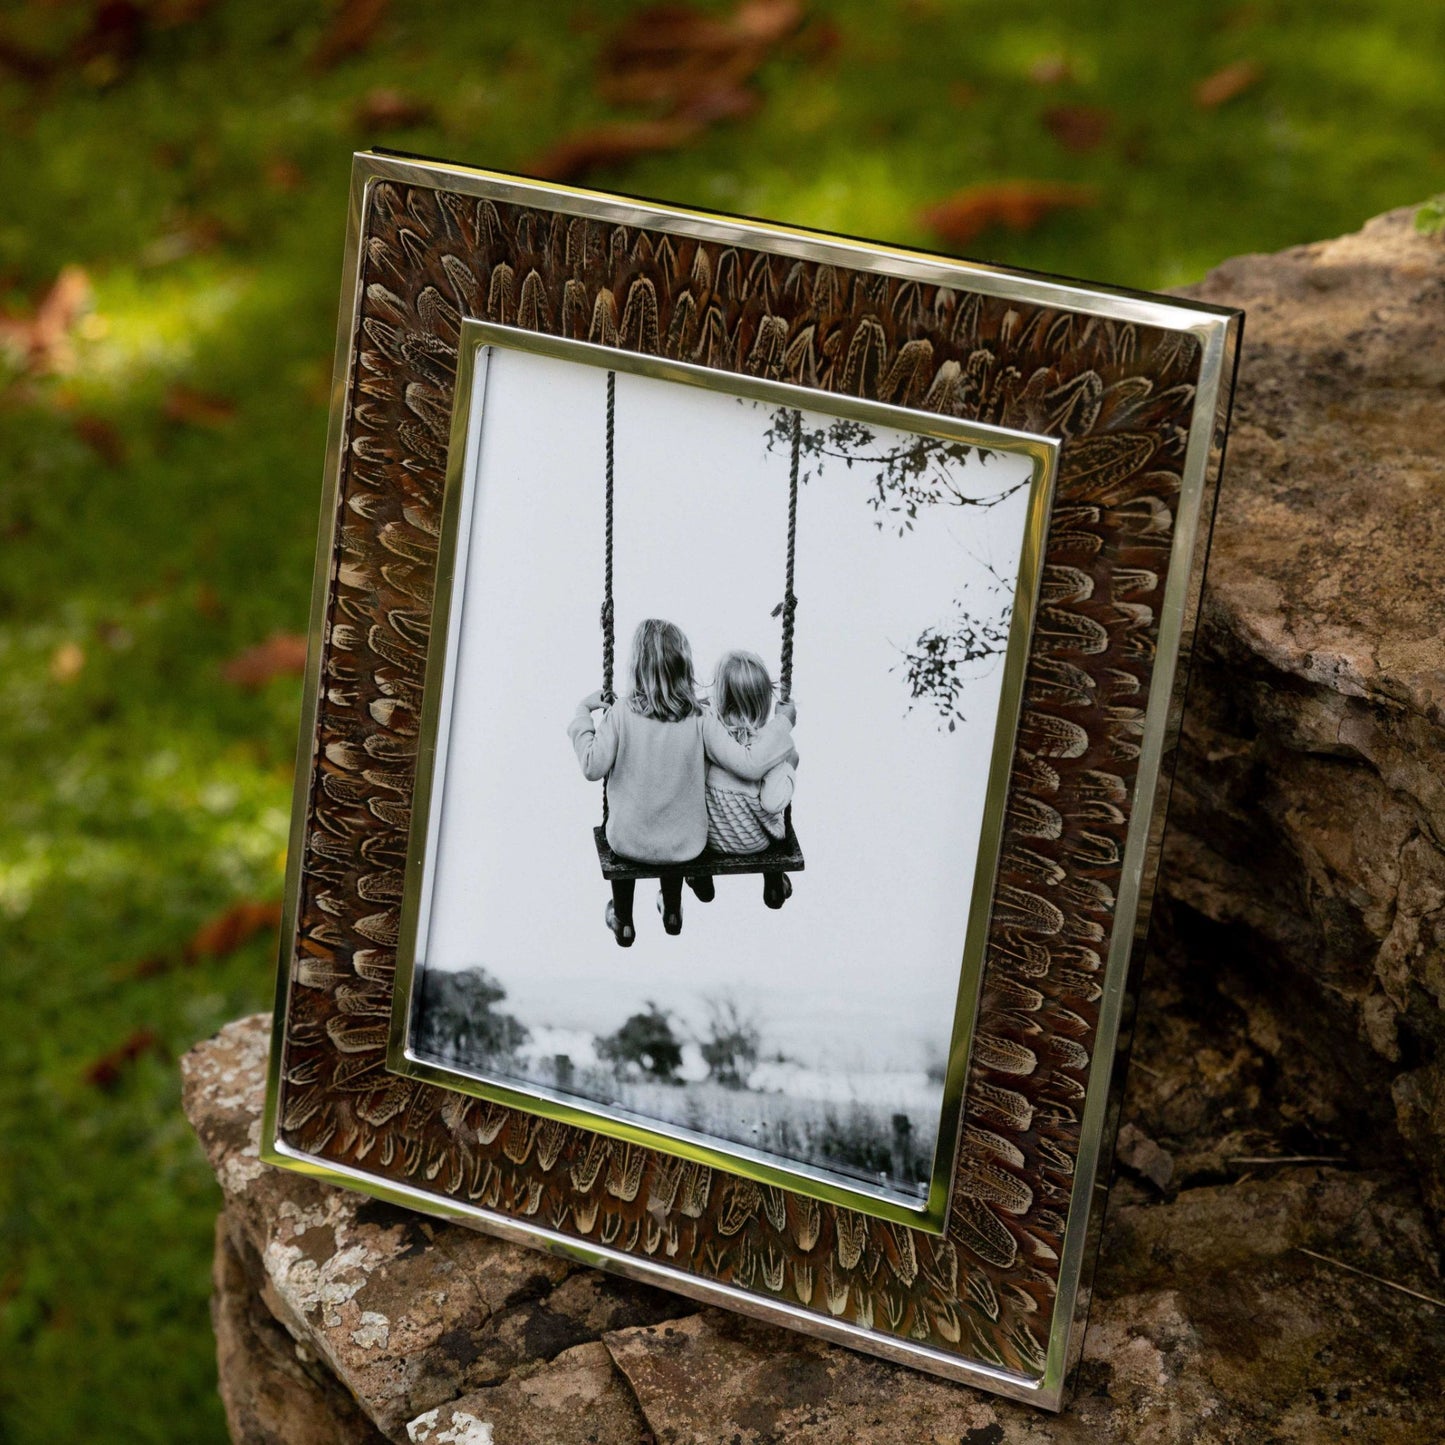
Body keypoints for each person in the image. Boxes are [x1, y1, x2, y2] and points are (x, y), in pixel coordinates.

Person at [569, 618, 794, 945]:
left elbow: (592, 766)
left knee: (630, 832)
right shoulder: (699, 717)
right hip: (687, 846)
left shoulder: (619, 713)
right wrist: (782, 723)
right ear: (684, 666)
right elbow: (747, 764)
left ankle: (623, 919)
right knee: (673, 824)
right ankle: (672, 908)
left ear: (637, 667)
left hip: (628, 843)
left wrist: (582, 715)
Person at [689, 649, 798, 910]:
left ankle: (701, 876)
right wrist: (790, 768)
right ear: (763, 700)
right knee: (788, 763)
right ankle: (773, 879)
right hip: (754, 843)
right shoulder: (769, 747)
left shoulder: (708, 730)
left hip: (709, 840)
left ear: (720, 697)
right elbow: (773, 803)